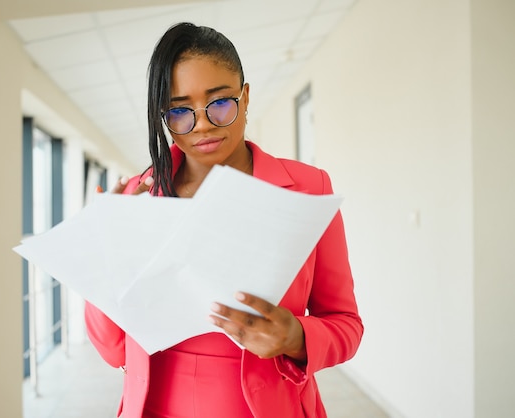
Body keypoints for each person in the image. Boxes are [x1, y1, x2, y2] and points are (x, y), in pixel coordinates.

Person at [84, 22, 363, 418]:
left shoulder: (308, 188)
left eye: (219, 103)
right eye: (180, 111)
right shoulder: (137, 197)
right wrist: (103, 257)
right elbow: (113, 350)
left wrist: (296, 337)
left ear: (245, 97)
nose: (201, 124)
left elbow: (346, 325)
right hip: (156, 406)